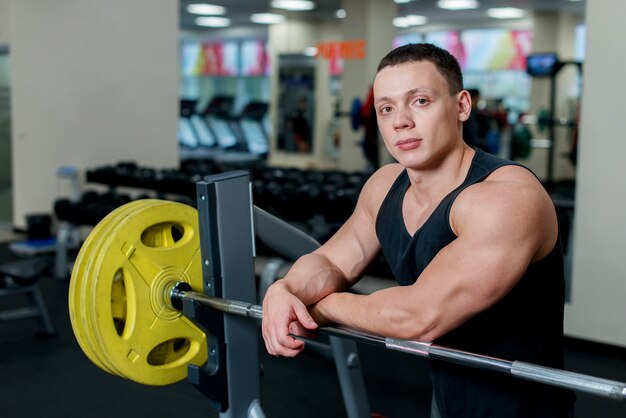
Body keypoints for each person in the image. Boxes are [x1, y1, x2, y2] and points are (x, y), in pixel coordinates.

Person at [262, 43, 576, 417]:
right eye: (386, 108)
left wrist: (317, 306)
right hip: (445, 399)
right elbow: (332, 261)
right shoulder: (384, 187)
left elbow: (417, 317)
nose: (401, 121)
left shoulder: (505, 199)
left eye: (420, 101)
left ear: (462, 105)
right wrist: (285, 289)